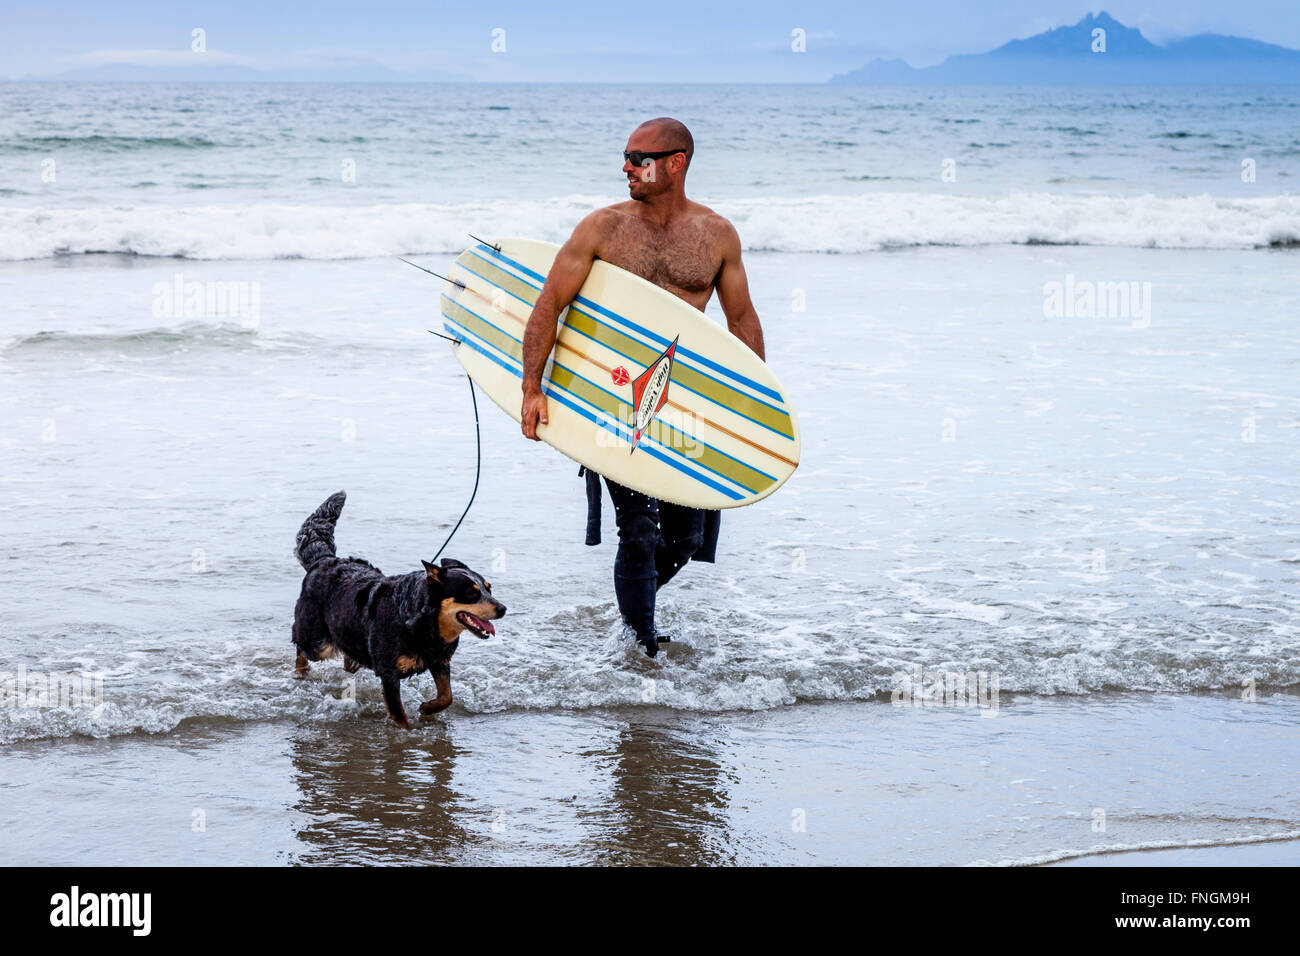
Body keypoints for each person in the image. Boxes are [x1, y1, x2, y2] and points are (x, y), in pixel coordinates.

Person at [519, 117, 766, 657]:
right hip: (611, 399)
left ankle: (634, 614)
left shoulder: (716, 235)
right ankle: (640, 645)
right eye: (626, 157)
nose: (626, 167)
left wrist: (751, 412)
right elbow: (548, 305)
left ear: (676, 163)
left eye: (638, 158)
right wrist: (531, 387)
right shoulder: (602, 229)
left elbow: (742, 320)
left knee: (686, 537)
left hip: (683, 404)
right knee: (638, 532)